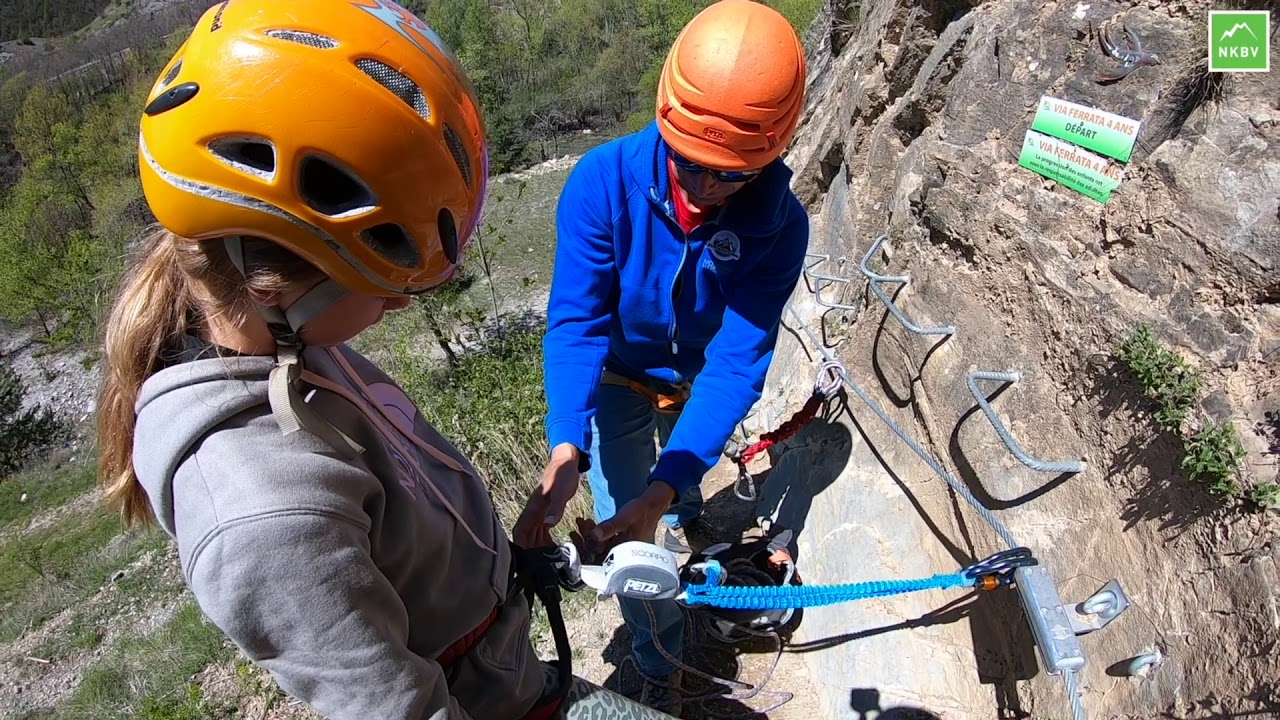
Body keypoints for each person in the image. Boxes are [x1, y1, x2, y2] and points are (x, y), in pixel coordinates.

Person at [94, 2, 666, 719]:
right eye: (385, 284)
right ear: (276, 286)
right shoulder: (264, 517)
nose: (398, 307)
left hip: (509, 671)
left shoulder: (288, 349)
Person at [513, 0, 810, 713]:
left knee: (664, 490)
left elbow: (738, 361)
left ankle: (676, 507)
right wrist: (564, 447)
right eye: (692, 165)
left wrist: (669, 484)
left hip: (698, 374)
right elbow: (578, 323)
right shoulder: (604, 183)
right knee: (625, 523)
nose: (707, 190)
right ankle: (660, 654)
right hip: (620, 374)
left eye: (731, 175)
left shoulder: (779, 226)